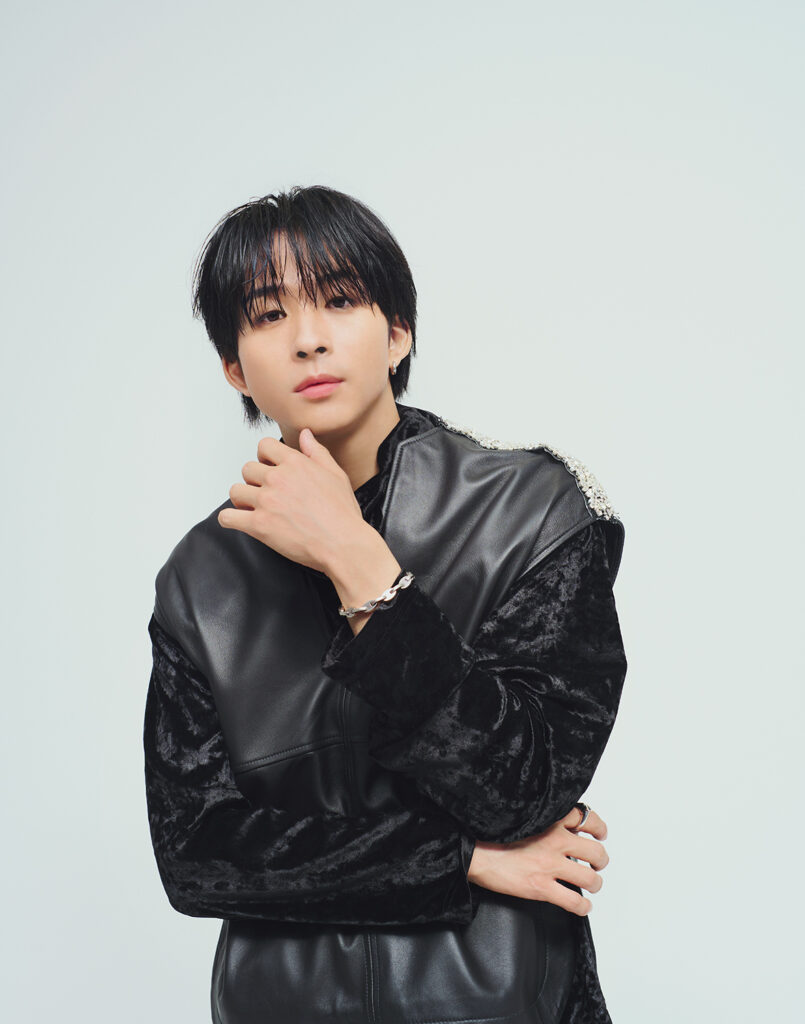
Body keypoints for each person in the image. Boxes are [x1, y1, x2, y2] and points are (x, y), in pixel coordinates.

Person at [143, 185, 629, 1024]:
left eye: (338, 301)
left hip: (499, 1002)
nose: (308, 338)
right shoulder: (200, 578)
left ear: (397, 331)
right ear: (235, 368)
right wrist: (462, 860)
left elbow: (523, 787)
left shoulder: (532, 511)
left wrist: (360, 565)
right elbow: (196, 856)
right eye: (268, 315)